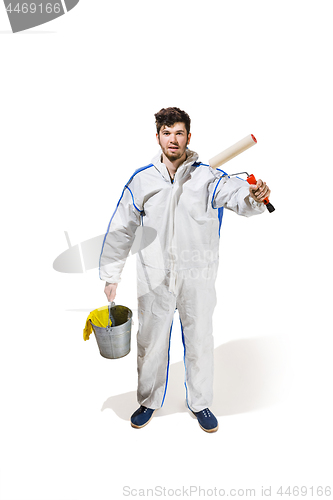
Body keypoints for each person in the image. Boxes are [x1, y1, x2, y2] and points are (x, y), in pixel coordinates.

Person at [99, 107, 271, 432]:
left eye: (179, 132)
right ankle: (148, 401)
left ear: (189, 137)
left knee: (200, 340)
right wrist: (111, 275)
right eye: (167, 133)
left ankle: (201, 403)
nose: (173, 139)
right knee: (150, 341)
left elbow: (239, 196)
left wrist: (255, 196)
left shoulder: (209, 178)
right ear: (158, 137)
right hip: (154, 277)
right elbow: (121, 229)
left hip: (197, 276)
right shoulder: (142, 180)